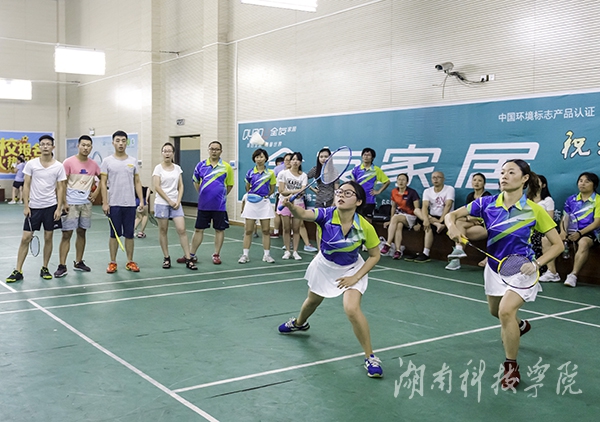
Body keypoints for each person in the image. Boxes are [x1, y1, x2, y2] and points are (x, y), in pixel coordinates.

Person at [445, 159, 562, 390]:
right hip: (495, 266)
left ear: (525, 178)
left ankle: (511, 367)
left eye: (511, 172)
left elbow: (558, 245)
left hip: (522, 268)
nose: (504, 176)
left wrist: (537, 264)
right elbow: (452, 215)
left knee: (505, 311)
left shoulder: (534, 210)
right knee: (495, 312)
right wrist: (452, 226)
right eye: (502, 172)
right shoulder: (487, 203)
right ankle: (519, 326)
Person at [277, 181, 383, 378]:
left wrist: (355, 277)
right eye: (339, 192)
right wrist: (291, 206)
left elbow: (375, 256)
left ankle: (370, 357)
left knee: (351, 309)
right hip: (325, 267)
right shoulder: (325, 215)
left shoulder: (365, 227)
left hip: (352, 268)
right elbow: (304, 214)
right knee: (312, 301)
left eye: (348, 193)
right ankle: (299, 323)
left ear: (359, 201)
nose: (341, 195)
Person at [6, 135, 66, 283]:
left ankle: (45, 267)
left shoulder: (59, 166)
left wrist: (59, 208)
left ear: (53, 147)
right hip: (34, 207)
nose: (45, 146)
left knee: (48, 237)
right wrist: (26, 205)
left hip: (51, 207)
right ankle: (18, 270)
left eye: (48, 144)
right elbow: (26, 184)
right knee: (25, 238)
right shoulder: (31, 164)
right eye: (42, 144)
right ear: (39, 147)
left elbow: (60, 188)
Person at [538, 172, 600, 287]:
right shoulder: (571, 199)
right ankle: (552, 272)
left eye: (587, 181)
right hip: (570, 231)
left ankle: (573, 275)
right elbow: (565, 217)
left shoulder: (598, 200)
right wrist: (563, 232)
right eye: (580, 181)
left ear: (594, 185)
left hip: (589, 232)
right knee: (546, 239)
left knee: (583, 242)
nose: (582, 184)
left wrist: (579, 233)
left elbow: (597, 223)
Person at [54, 135, 101, 278]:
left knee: (82, 232)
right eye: (83, 145)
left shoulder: (94, 165)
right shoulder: (68, 162)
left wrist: (96, 193)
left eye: (88, 145)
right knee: (66, 234)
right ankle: (62, 265)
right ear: (78, 146)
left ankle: (79, 262)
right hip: (70, 204)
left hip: (86, 204)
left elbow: (103, 180)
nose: (86, 148)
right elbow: (61, 184)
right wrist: (63, 202)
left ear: (91, 148)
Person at [100, 130, 145, 273]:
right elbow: (103, 183)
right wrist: (105, 202)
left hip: (130, 204)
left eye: (123, 141)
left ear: (127, 143)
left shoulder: (132, 161)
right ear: (113, 143)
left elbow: (137, 182)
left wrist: (141, 201)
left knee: (129, 234)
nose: (121, 143)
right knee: (114, 234)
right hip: (114, 204)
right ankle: (112, 262)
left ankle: (130, 261)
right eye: (118, 141)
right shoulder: (107, 161)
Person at [183, 140, 234, 265]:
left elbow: (230, 185)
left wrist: (220, 195)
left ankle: (216, 254)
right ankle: (191, 254)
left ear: (221, 151)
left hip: (219, 206)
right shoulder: (201, 165)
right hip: (204, 204)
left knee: (219, 230)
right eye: (212, 149)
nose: (214, 151)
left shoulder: (226, 167)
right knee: (198, 229)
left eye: (217, 149)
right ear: (208, 150)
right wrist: (203, 193)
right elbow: (195, 181)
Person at [152, 142, 197, 270]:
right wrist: (169, 201)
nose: (167, 153)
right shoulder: (158, 168)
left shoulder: (177, 168)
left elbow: (181, 185)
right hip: (162, 203)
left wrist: (178, 200)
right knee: (163, 231)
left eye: (169, 151)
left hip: (176, 204)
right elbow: (157, 187)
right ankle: (166, 258)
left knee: (182, 229)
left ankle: (188, 258)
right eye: (165, 151)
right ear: (162, 153)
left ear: (173, 153)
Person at [446, 173, 492, 270]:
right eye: (474, 180)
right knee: (459, 223)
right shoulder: (470, 196)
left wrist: (473, 219)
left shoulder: (487, 197)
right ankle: (458, 251)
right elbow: (467, 215)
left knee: (459, 226)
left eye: (479, 180)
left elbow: (488, 216)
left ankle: (456, 257)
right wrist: (471, 219)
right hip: (471, 225)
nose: (476, 182)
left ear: (484, 184)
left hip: (484, 227)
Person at [239, 148, 277, 264]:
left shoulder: (270, 173)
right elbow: (247, 187)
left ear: (265, 158)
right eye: (257, 157)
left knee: (266, 230)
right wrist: (254, 196)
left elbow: (272, 189)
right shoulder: (250, 172)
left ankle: (267, 255)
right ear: (254, 159)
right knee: (248, 230)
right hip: (251, 203)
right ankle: (245, 255)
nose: (259, 159)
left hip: (264, 203)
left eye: (261, 157)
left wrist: (264, 196)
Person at [407, 171, 454, 263]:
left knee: (428, 227)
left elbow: (448, 205)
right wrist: (426, 219)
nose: (436, 179)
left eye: (438, 177)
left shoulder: (449, 189)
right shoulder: (427, 191)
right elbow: (425, 206)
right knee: (417, 211)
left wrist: (441, 220)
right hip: (432, 217)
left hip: (446, 217)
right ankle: (436, 226)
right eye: (433, 177)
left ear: (443, 179)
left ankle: (426, 253)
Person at [380, 173, 422, 259]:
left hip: (411, 216)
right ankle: (398, 251)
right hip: (399, 216)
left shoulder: (412, 193)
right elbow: (393, 207)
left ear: (407, 182)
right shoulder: (394, 192)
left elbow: (417, 209)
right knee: (399, 225)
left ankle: (388, 243)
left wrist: (418, 223)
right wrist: (390, 220)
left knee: (395, 218)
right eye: (399, 179)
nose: (401, 182)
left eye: (403, 180)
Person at [276, 152, 308, 260]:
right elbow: (281, 191)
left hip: (298, 204)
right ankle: (287, 251)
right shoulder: (283, 174)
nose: (295, 162)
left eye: (297, 160)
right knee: (286, 228)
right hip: (284, 203)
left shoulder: (304, 176)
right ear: (290, 161)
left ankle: (295, 251)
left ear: (300, 162)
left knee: (296, 229)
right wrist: (296, 192)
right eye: (293, 159)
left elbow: (302, 192)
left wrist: (296, 193)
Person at [350, 147, 390, 222]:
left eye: (368, 155)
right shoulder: (356, 169)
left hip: (369, 199)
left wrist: (378, 191)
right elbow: (353, 182)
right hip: (357, 198)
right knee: (355, 219)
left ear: (372, 158)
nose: (366, 157)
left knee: (368, 220)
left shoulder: (376, 170)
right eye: (364, 155)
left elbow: (387, 182)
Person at [270, 155, 287, 239]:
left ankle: (276, 232)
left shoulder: (277, 169)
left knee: (278, 213)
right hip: (287, 194)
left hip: (281, 194)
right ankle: (291, 233)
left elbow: (272, 179)